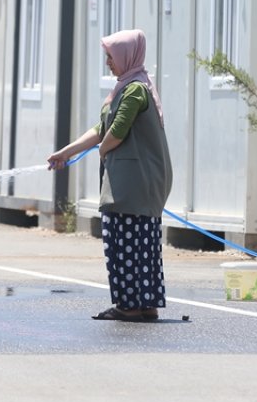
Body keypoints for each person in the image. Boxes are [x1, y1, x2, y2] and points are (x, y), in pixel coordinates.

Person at [47, 29, 174, 322]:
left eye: (111, 57)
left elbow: (116, 131)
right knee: (143, 243)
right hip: (138, 182)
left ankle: (128, 306)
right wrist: (65, 152)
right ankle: (146, 304)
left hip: (133, 184)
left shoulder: (134, 91)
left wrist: (103, 151)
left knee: (125, 242)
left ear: (127, 56)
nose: (108, 62)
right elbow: (101, 128)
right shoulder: (128, 88)